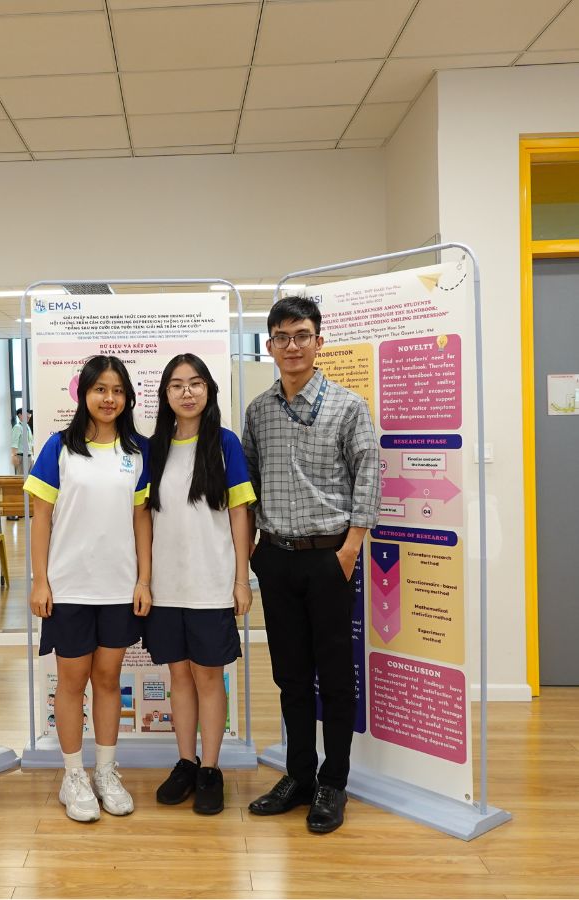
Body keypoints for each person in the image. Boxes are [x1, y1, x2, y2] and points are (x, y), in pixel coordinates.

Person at [243, 295, 380, 834]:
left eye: (301, 335)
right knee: (291, 675)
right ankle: (299, 775)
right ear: (270, 345)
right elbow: (247, 484)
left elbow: (368, 477)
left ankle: (333, 783)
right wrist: (251, 552)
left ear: (318, 341)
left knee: (335, 676)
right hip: (275, 559)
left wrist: (350, 549)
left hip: (330, 559)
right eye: (282, 337)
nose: (292, 346)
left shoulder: (349, 407)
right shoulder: (258, 411)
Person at [24, 356, 152, 823]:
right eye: (100, 389)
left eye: (117, 390)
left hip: (118, 587)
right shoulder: (59, 447)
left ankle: (106, 772)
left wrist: (143, 580)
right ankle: (73, 775)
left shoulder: (138, 451)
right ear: (84, 394)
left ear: (127, 398)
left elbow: (142, 519)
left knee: (108, 680)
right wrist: (40, 580)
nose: (109, 398)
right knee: (72, 682)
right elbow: (41, 517)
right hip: (69, 587)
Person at [143, 354, 254, 815]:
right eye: (176, 385)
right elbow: (144, 518)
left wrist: (241, 579)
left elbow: (240, 514)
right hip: (166, 587)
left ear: (209, 389)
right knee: (179, 676)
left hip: (211, 584)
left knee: (209, 676)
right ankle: (185, 762)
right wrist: (145, 580)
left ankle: (210, 768)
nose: (186, 392)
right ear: (165, 395)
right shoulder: (153, 449)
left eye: (195, 383)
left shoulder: (225, 444)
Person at [11, 408, 34, 475]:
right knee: (21, 478)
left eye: (29, 414)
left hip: (29, 457)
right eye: (26, 414)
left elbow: (30, 443)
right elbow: (14, 443)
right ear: (20, 415)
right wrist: (14, 456)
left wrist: (32, 455)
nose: (29, 416)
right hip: (21, 457)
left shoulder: (27, 427)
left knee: (30, 478)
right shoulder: (17, 427)